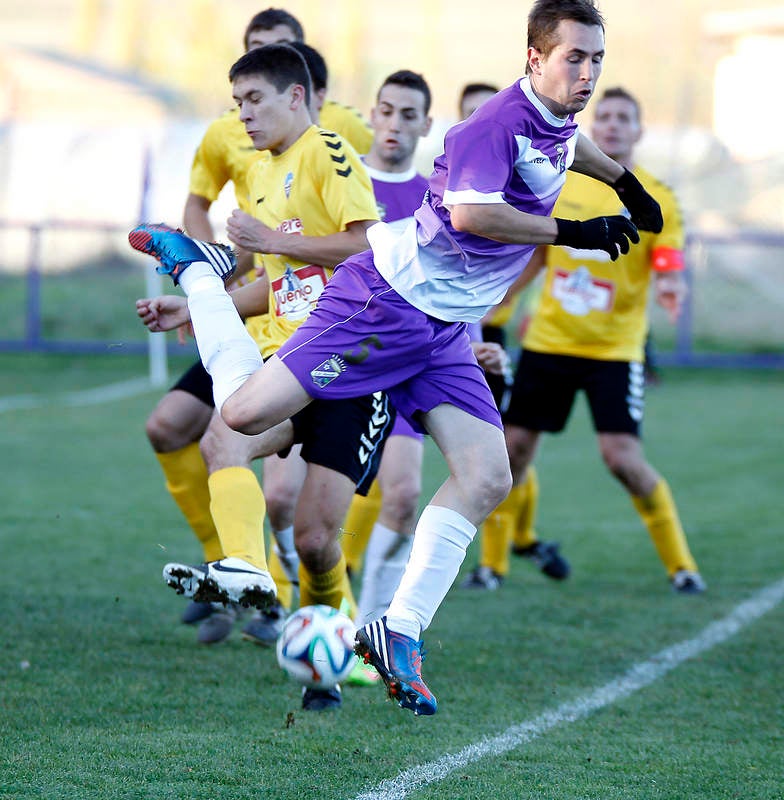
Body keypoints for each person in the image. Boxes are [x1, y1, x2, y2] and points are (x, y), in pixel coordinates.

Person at [130, 0, 663, 716]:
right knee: (239, 415)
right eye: (575, 57)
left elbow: (571, 147)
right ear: (534, 58)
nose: (589, 72)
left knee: (486, 476)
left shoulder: (556, 117)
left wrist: (622, 183)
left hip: (439, 331)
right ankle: (197, 271)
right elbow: (475, 213)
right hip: (384, 301)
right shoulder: (492, 125)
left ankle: (397, 629)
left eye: (597, 58)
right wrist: (575, 226)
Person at [137, 44, 390, 710]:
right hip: (286, 360)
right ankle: (246, 569)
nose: (243, 116)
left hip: (348, 365)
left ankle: (332, 664)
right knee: (224, 438)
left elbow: (370, 247)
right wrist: (196, 304)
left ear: (296, 96)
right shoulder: (255, 173)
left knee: (312, 538)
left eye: (255, 100)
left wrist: (272, 241)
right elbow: (283, 288)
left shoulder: (328, 152)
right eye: (237, 103)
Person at [491, 86, 705, 594]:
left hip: (614, 351)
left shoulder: (656, 195)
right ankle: (491, 567)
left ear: (638, 131)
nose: (611, 124)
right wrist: (500, 302)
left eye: (622, 118)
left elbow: (668, 257)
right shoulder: (560, 184)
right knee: (512, 450)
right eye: (603, 116)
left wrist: (672, 284)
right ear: (592, 126)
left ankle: (683, 568)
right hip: (548, 343)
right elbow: (539, 250)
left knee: (623, 459)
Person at [457, 81, 571, 590]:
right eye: (468, 114)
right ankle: (519, 541)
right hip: (446, 316)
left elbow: (538, 245)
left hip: (490, 323)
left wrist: (502, 294)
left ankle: (502, 553)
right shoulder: (456, 169)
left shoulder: (523, 162)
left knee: (504, 441)